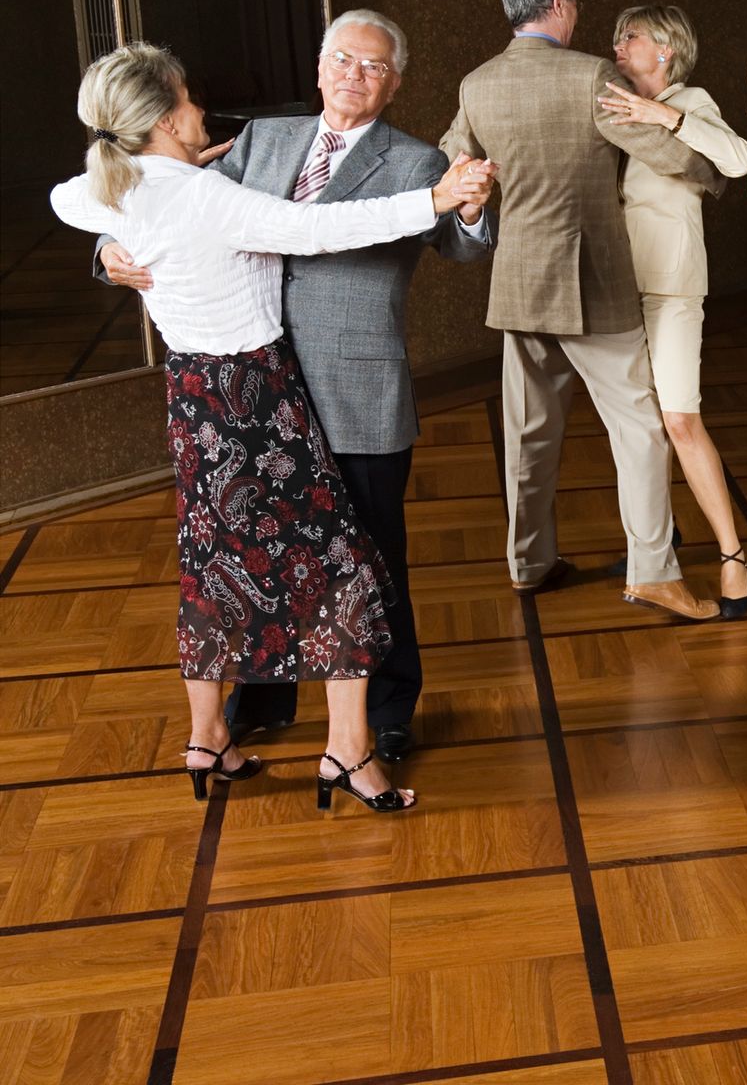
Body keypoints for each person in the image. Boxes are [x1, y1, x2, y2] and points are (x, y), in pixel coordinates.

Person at [51, 42, 495, 811]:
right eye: (188, 100)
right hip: (255, 399)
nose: (200, 110)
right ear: (161, 118)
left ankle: (207, 740)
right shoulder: (203, 196)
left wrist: (124, 224)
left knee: (214, 567)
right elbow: (322, 230)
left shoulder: (111, 188)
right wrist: (433, 198)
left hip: (192, 399)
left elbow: (66, 198)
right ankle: (347, 754)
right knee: (347, 573)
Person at [442, 0, 719, 620]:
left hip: (519, 285)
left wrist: (478, 201)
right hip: (594, 284)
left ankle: (528, 562)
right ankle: (652, 570)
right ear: (561, 4)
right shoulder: (590, 75)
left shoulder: (477, 85)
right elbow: (660, 150)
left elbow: (454, 162)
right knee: (641, 431)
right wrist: (708, 169)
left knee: (529, 435)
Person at [596, 4, 747, 617]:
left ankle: (733, 555)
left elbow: (739, 159)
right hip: (616, 285)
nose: (617, 44)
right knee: (636, 427)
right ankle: (654, 547)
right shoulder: (612, 106)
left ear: (665, 49)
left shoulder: (692, 100)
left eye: (629, 36)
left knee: (681, 421)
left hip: (671, 285)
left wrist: (663, 114)